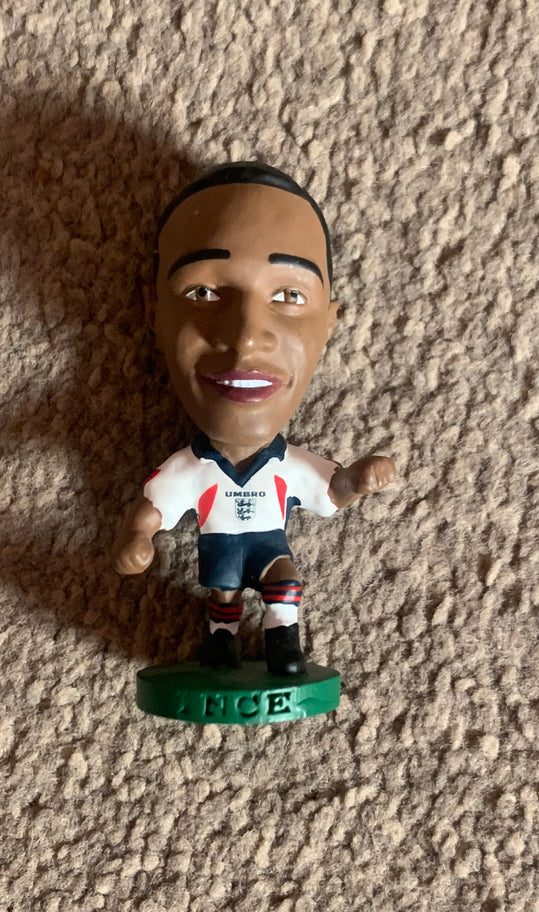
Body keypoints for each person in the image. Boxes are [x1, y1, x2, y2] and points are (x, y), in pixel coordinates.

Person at [111, 162, 395, 675]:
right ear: (154, 312)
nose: (245, 338)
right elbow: (153, 508)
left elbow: (331, 490)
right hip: (220, 549)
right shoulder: (193, 466)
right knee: (223, 595)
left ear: (328, 322)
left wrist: (358, 479)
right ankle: (221, 644)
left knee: (284, 581)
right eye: (203, 292)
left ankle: (283, 642)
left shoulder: (286, 464)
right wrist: (136, 538)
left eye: (289, 295)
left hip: (268, 546)